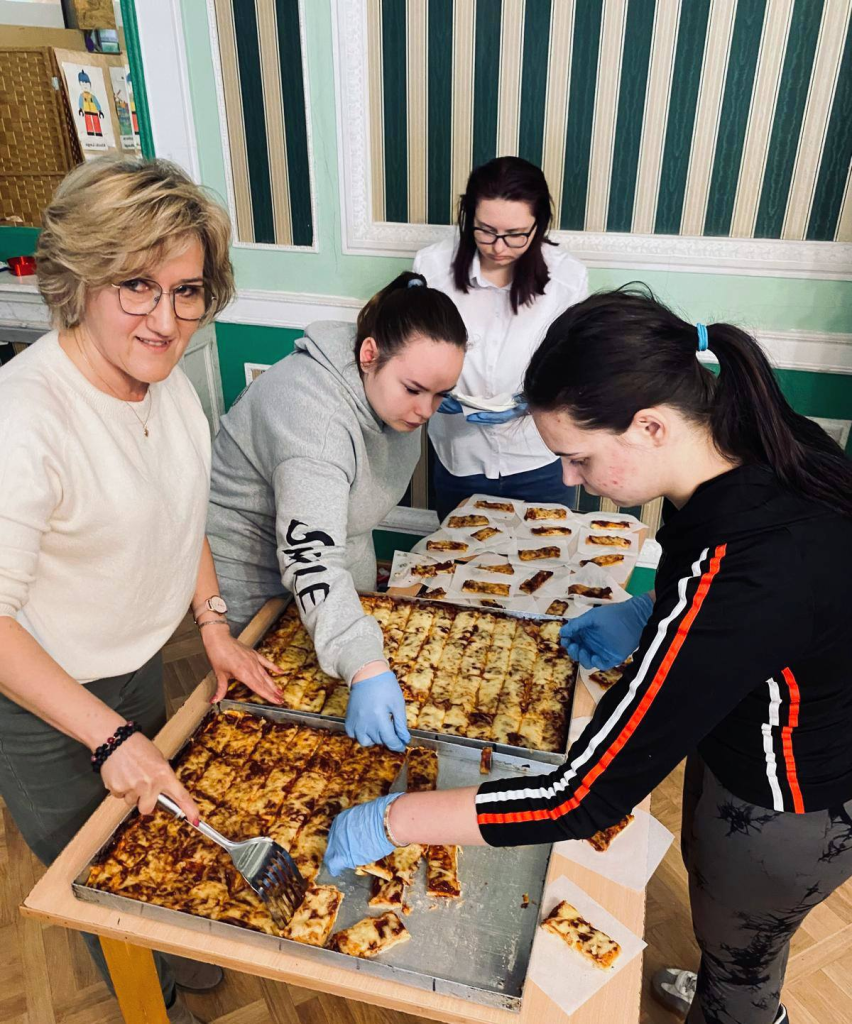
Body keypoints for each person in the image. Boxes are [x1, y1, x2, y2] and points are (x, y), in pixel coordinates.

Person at [323, 287, 852, 1024]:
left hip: (795, 803)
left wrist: (395, 820)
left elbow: (581, 797)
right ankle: (732, 978)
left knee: (743, 974)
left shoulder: (748, 569)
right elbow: (774, 601)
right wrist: (654, 609)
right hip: (768, 730)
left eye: (578, 458)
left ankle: (740, 1001)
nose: (570, 480)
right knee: (732, 942)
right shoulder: (758, 436)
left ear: (650, 426)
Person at [0, 156, 284, 1024]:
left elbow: (176, 512)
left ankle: (171, 946)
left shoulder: (169, 386)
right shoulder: (24, 421)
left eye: (186, 291)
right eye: (136, 286)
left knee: (155, 827)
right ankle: (150, 1000)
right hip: (41, 701)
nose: (166, 320)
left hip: (132, 668)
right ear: (78, 278)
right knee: (96, 875)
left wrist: (214, 625)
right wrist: (110, 735)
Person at [207, 271, 467, 752]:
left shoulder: (387, 388)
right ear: (368, 354)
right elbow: (310, 557)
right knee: (277, 729)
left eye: (440, 395)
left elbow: (344, 518)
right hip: (251, 567)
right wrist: (364, 665)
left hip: (334, 548)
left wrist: (359, 649)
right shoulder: (317, 423)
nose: (426, 410)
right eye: (414, 390)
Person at [413, 156, 588, 520]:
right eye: (486, 231)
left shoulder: (567, 278)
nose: (498, 247)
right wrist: (431, 391)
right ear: (469, 218)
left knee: (547, 555)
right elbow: (413, 347)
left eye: (516, 234)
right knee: (456, 555)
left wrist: (534, 402)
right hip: (460, 457)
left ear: (539, 224)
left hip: (539, 458)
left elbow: (577, 368)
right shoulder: (432, 267)